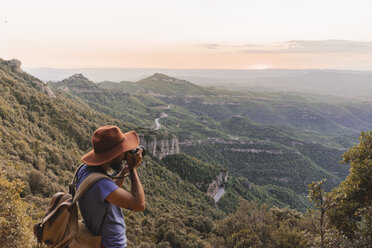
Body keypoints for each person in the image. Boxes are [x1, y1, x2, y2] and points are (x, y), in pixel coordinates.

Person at [76, 125, 145, 248]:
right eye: (122, 151)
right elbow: (139, 204)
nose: (125, 154)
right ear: (112, 155)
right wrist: (133, 169)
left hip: (98, 239)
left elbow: (107, 194)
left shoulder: (84, 170)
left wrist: (123, 173)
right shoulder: (101, 185)